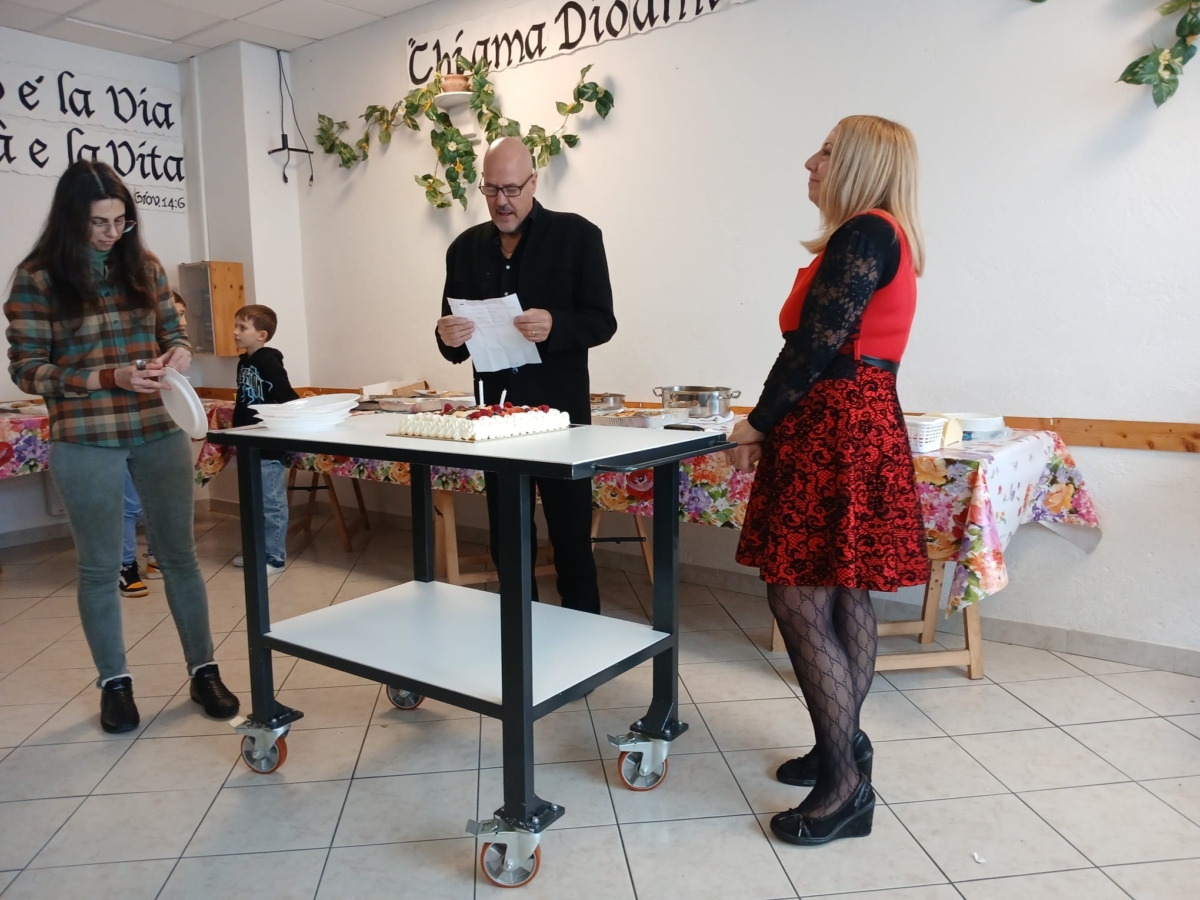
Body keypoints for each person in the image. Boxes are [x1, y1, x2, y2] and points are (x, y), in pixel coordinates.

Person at [730, 116, 928, 846]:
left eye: (828, 152)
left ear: (862, 165)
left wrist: (757, 422)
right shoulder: (876, 233)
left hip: (836, 424)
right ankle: (840, 745)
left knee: (799, 595)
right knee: (843, 589)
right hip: (851, 421)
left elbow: (814, 345)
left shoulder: (865, 232)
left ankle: (845, 789)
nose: (810, 162)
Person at [4, 160, 239, 733]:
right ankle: (115, 683)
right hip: (86, 436)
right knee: (99, 566)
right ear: (71, 220)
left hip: (158, 427)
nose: (112, 233)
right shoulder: (37, 278)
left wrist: (179, 352)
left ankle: (204, 670)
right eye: (98, 223)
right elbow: (27, 369)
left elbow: (172, 331)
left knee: (179, 556)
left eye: (121, 221)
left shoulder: (145, 266)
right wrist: (108, 377)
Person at [435, 137, 617, 614]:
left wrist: (556, 325)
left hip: (561, 417)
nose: (501, 201)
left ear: (534, 182)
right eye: (491, 189)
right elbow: (452, 341)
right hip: (495, 419)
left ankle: (583, 632)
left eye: (512, 189)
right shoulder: (464, 248)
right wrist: (446, 335)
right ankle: (519, 630)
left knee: (570, 535)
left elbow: (603, 322)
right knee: (508, 535)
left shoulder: (578, 236)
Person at [120, 292, 186, 594]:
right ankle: (125, 566)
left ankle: (156, 557)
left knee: (159, 501)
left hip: (160, 431)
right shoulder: (134, 345)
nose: (180, 321)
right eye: (175, 314)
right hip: (122, 430)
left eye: (182, 314)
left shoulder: (174, 351)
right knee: (129, 503)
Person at [231, 304, 298, 574]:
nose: (235, 332)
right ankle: (258, 552)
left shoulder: (269, 359)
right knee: (253, 502)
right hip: (248, 442)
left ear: (261, 335)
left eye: (242, 327)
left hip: (267, 443)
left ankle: (275, 557)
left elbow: (285, 394)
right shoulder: (243, 362)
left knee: (272, 503)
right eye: (235, 326)